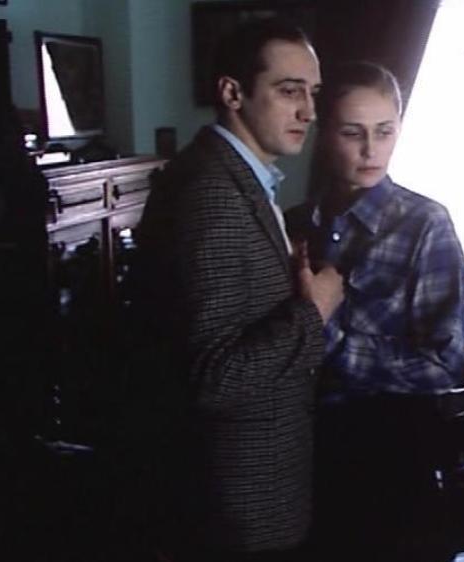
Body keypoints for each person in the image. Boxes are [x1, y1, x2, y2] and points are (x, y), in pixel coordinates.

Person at [131, 17, 344, 561]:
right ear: (232, 93)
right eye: (289, 91)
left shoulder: (239, 178)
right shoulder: (211, 195)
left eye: (313, 93)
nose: (309, 112)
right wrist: (314, 312)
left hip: (251, 492)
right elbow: (214, 376)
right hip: (233, 503)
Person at [285, 61, 464, 559]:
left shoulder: (426, 225)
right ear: (324, 132)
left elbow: (443, 364)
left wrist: (328, 335)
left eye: (384, 131)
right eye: (353, 133)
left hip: (389, 457)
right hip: (298, 453)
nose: (371, 150)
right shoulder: (294, 225)